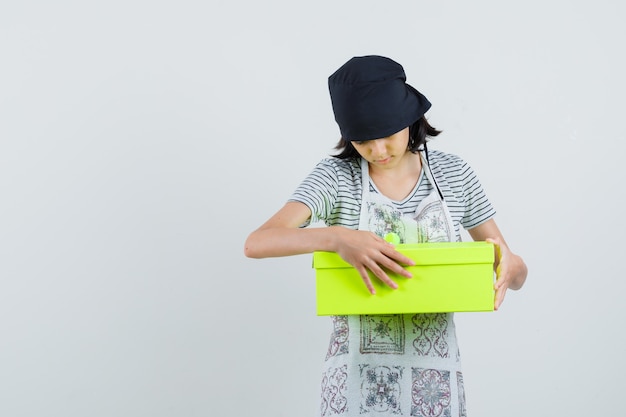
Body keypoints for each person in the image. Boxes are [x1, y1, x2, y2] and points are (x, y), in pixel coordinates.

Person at [244, 55, 527, 417]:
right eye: (363, 141)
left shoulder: (454, 173)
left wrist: (512, 266)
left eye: (388, 136)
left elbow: (512, 272)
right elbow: (258, 242)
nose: (378, 152)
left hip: (436, 390)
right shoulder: (336, 178)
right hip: (354, 389)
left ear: (410, 119)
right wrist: (336, 238)